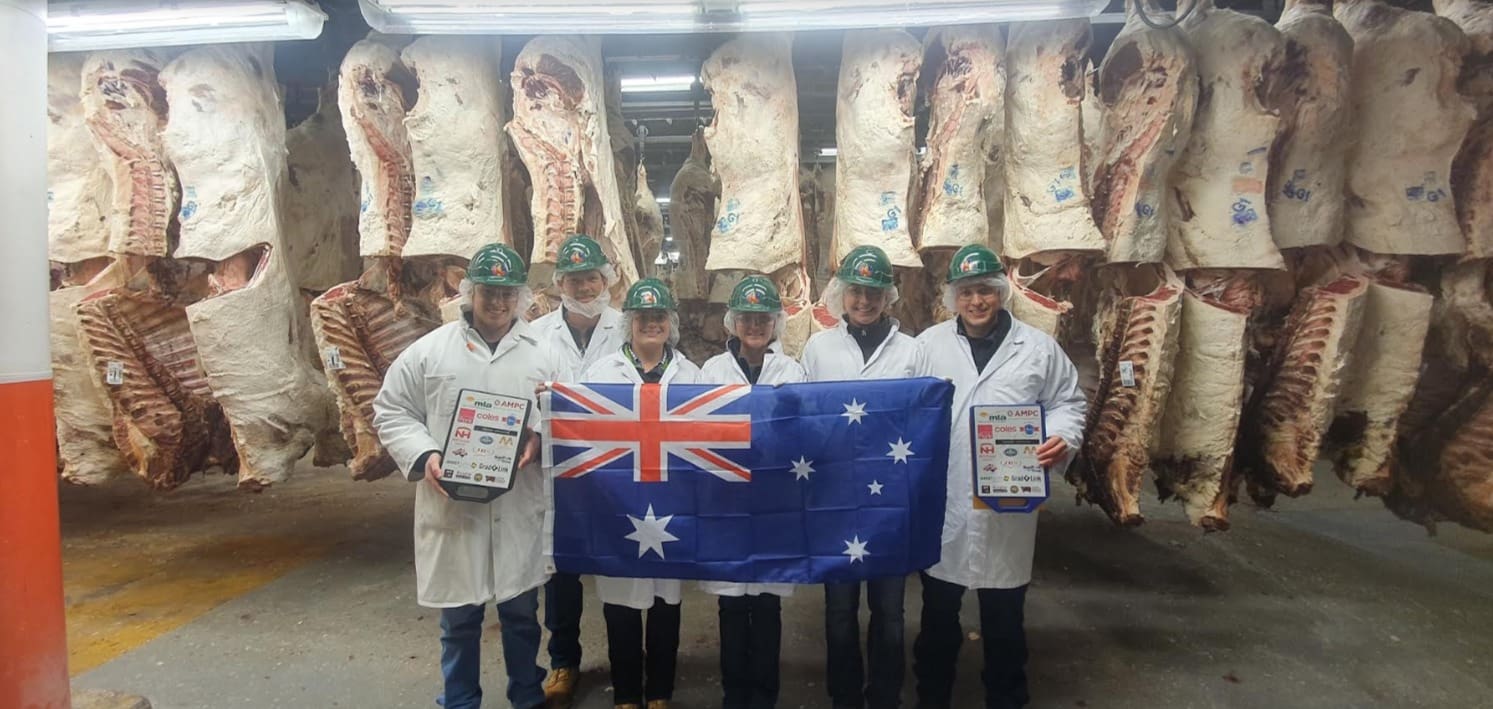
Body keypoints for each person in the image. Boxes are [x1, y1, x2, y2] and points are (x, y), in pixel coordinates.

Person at [371, 243, 556, 709]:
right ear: (469, 293)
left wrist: (538, 437)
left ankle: (528, 696)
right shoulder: (429, 351)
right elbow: (391, 410)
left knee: (521, 614)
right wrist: (425, 454)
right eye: (489, 292)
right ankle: (460, 701)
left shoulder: (544, 353)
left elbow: (565, 416)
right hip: (452, 504)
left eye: (507, 294)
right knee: (459, 621)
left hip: (516, 504)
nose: (497, 303)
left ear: (520, 298)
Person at [911, 244, 1086, 709]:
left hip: (1009, 506)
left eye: (985, 291)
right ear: (953, 297)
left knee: (1005, 623)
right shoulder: (929, 346)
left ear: (1001, 293)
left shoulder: (1038, 348)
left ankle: (1006, 699)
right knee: (938, 620)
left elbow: (1069, 402)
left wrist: (1062, 437)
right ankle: (933, 698)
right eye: (967, 292)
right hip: (946, 505)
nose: (976, 302)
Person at [800, 245, 929, 709]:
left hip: (891, 502)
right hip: (835, 500)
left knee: (890, 611)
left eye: (874, 292)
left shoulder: (913, 352)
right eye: (856, 291)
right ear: (841, 295)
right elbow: (803, 419)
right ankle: (844, 696)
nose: (864, 301)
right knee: (839, 610)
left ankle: (886, 696)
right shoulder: (817, 348)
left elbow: (925, 422)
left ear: (888, 296)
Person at [580, 277, 700, 709]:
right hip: (618, 501)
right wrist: (551, 402)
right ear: (629, 323)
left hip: (672, 501)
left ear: (670, 323)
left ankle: (661, 692)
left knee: (667, 600)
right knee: (620, 603)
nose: (652, 324)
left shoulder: (691, 374)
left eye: (659, 317)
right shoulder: (600, 372)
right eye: (643, 317)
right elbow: (580, 430)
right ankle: (628, 693)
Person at [698, 275, 807, 709]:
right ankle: (734, 694)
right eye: (746, 318)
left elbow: (803, 431)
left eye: (763, 318)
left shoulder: (793, 370)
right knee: (730, 605)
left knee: (765, 603)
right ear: (733, 322)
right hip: (726, 499)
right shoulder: (711, 371)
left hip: (774, 499)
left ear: (776, 323)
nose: (754, 326)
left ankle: (764, 695)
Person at [530, 233, 625, 706]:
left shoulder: (626, 327)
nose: (585, 288)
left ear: (605, 280)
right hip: (557, 473)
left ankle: (625, 661)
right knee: (561, 572)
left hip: (614, 471)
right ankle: (563, 661)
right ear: (559, 284)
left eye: (592, 278)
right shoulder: (536, 334)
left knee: (615, 568)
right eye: (574, 280)